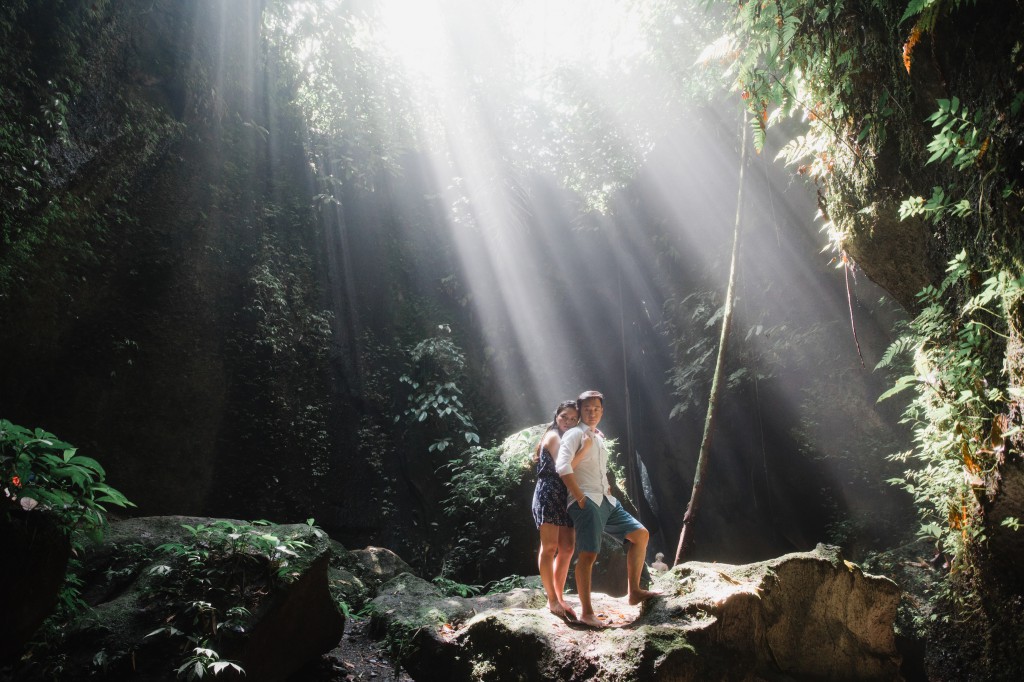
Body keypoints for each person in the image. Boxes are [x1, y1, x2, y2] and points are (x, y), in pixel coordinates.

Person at [556, 390, 660, 627]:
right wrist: (580, 497)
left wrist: (608, 487)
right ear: (580, 412)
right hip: (587, 502)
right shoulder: (574, 434)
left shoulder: (598, 437)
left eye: (596, 408)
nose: (592, 412)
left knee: (640, 535)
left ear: (602, 411)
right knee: (588, 555)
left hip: (607, 500)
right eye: (587, 409)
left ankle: (634, 591)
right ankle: (587, 612)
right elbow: (562, 467)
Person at [531, 400, 590, 621]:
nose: (568, 421)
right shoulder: (554, 436)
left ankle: (559, 595)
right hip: (549, 492)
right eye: (564, 416)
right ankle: (552, 599)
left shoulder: (570, 436)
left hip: (565, 495)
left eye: (573, 418)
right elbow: (564, 466)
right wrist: (587, 449)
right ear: (556, 416)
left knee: (567, 548)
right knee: (550, 547)